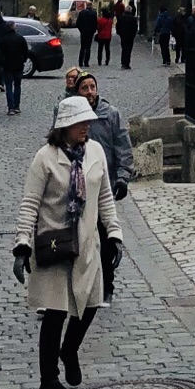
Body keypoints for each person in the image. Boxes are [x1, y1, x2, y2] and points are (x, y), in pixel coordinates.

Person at [12, 95, 121, 389]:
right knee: (56, 312)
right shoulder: (45, 158)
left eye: (88, 122)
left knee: (91, 302)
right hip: (54, 244)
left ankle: (69, 349)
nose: (86, 127)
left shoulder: (95, 152)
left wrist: (114, 233)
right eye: (80, 123)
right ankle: (48, 381)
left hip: (87, 243)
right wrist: (22, 245)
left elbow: (104, 197)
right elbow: (30, 203)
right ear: (64, 126)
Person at [70, 70, 133, 303]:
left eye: (92, 87)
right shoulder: (70, 117)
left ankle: (107, 285)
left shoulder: (110, 114)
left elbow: (123, 147)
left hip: (102, 186)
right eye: (84, 88)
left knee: (105, 237)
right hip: (76, 186)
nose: (89, 92)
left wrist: (123, 177)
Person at [0, 11, 29, 115]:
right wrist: (23, 60)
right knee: (17, 86)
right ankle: (17, 106)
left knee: (8, 87)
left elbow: (0, 54)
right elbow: (26, 52)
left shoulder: (3, 40)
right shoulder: (20, 39)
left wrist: (2, 62)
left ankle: (10, 107)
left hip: (7, 65)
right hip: (18, 65)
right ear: (14, 28)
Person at [74, 0, 98, 69]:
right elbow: (95, 23)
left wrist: (81, 30)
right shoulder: (94, 13)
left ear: (86, 5)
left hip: (83, 32)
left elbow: (78, 23)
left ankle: (80, 62)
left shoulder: (82, 12)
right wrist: (93, 30)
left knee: (82, 47)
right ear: (91, 6)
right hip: (90, 32)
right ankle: (86, 62)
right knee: (88, 47)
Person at [115, 0, 139, 71]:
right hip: (130, 36)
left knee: (124, 49)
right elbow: (135, 28)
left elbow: (117, 26)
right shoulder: (133, 19)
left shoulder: (121, 17)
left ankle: (123, 63)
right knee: (128, 50)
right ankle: (127, 63)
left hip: (123, 36)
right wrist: (133, 35)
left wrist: (119, 33)